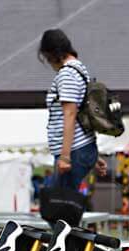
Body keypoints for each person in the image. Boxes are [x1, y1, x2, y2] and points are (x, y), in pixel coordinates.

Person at [39, 29, 107, 190]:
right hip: (83, 148)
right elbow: (84, 114)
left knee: (59, 206)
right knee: (63, 204)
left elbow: (70, 114)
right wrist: (92, 157)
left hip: (73, 151)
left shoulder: (67, 74)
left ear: (51, 53)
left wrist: (65, 157)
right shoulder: (80, 70)